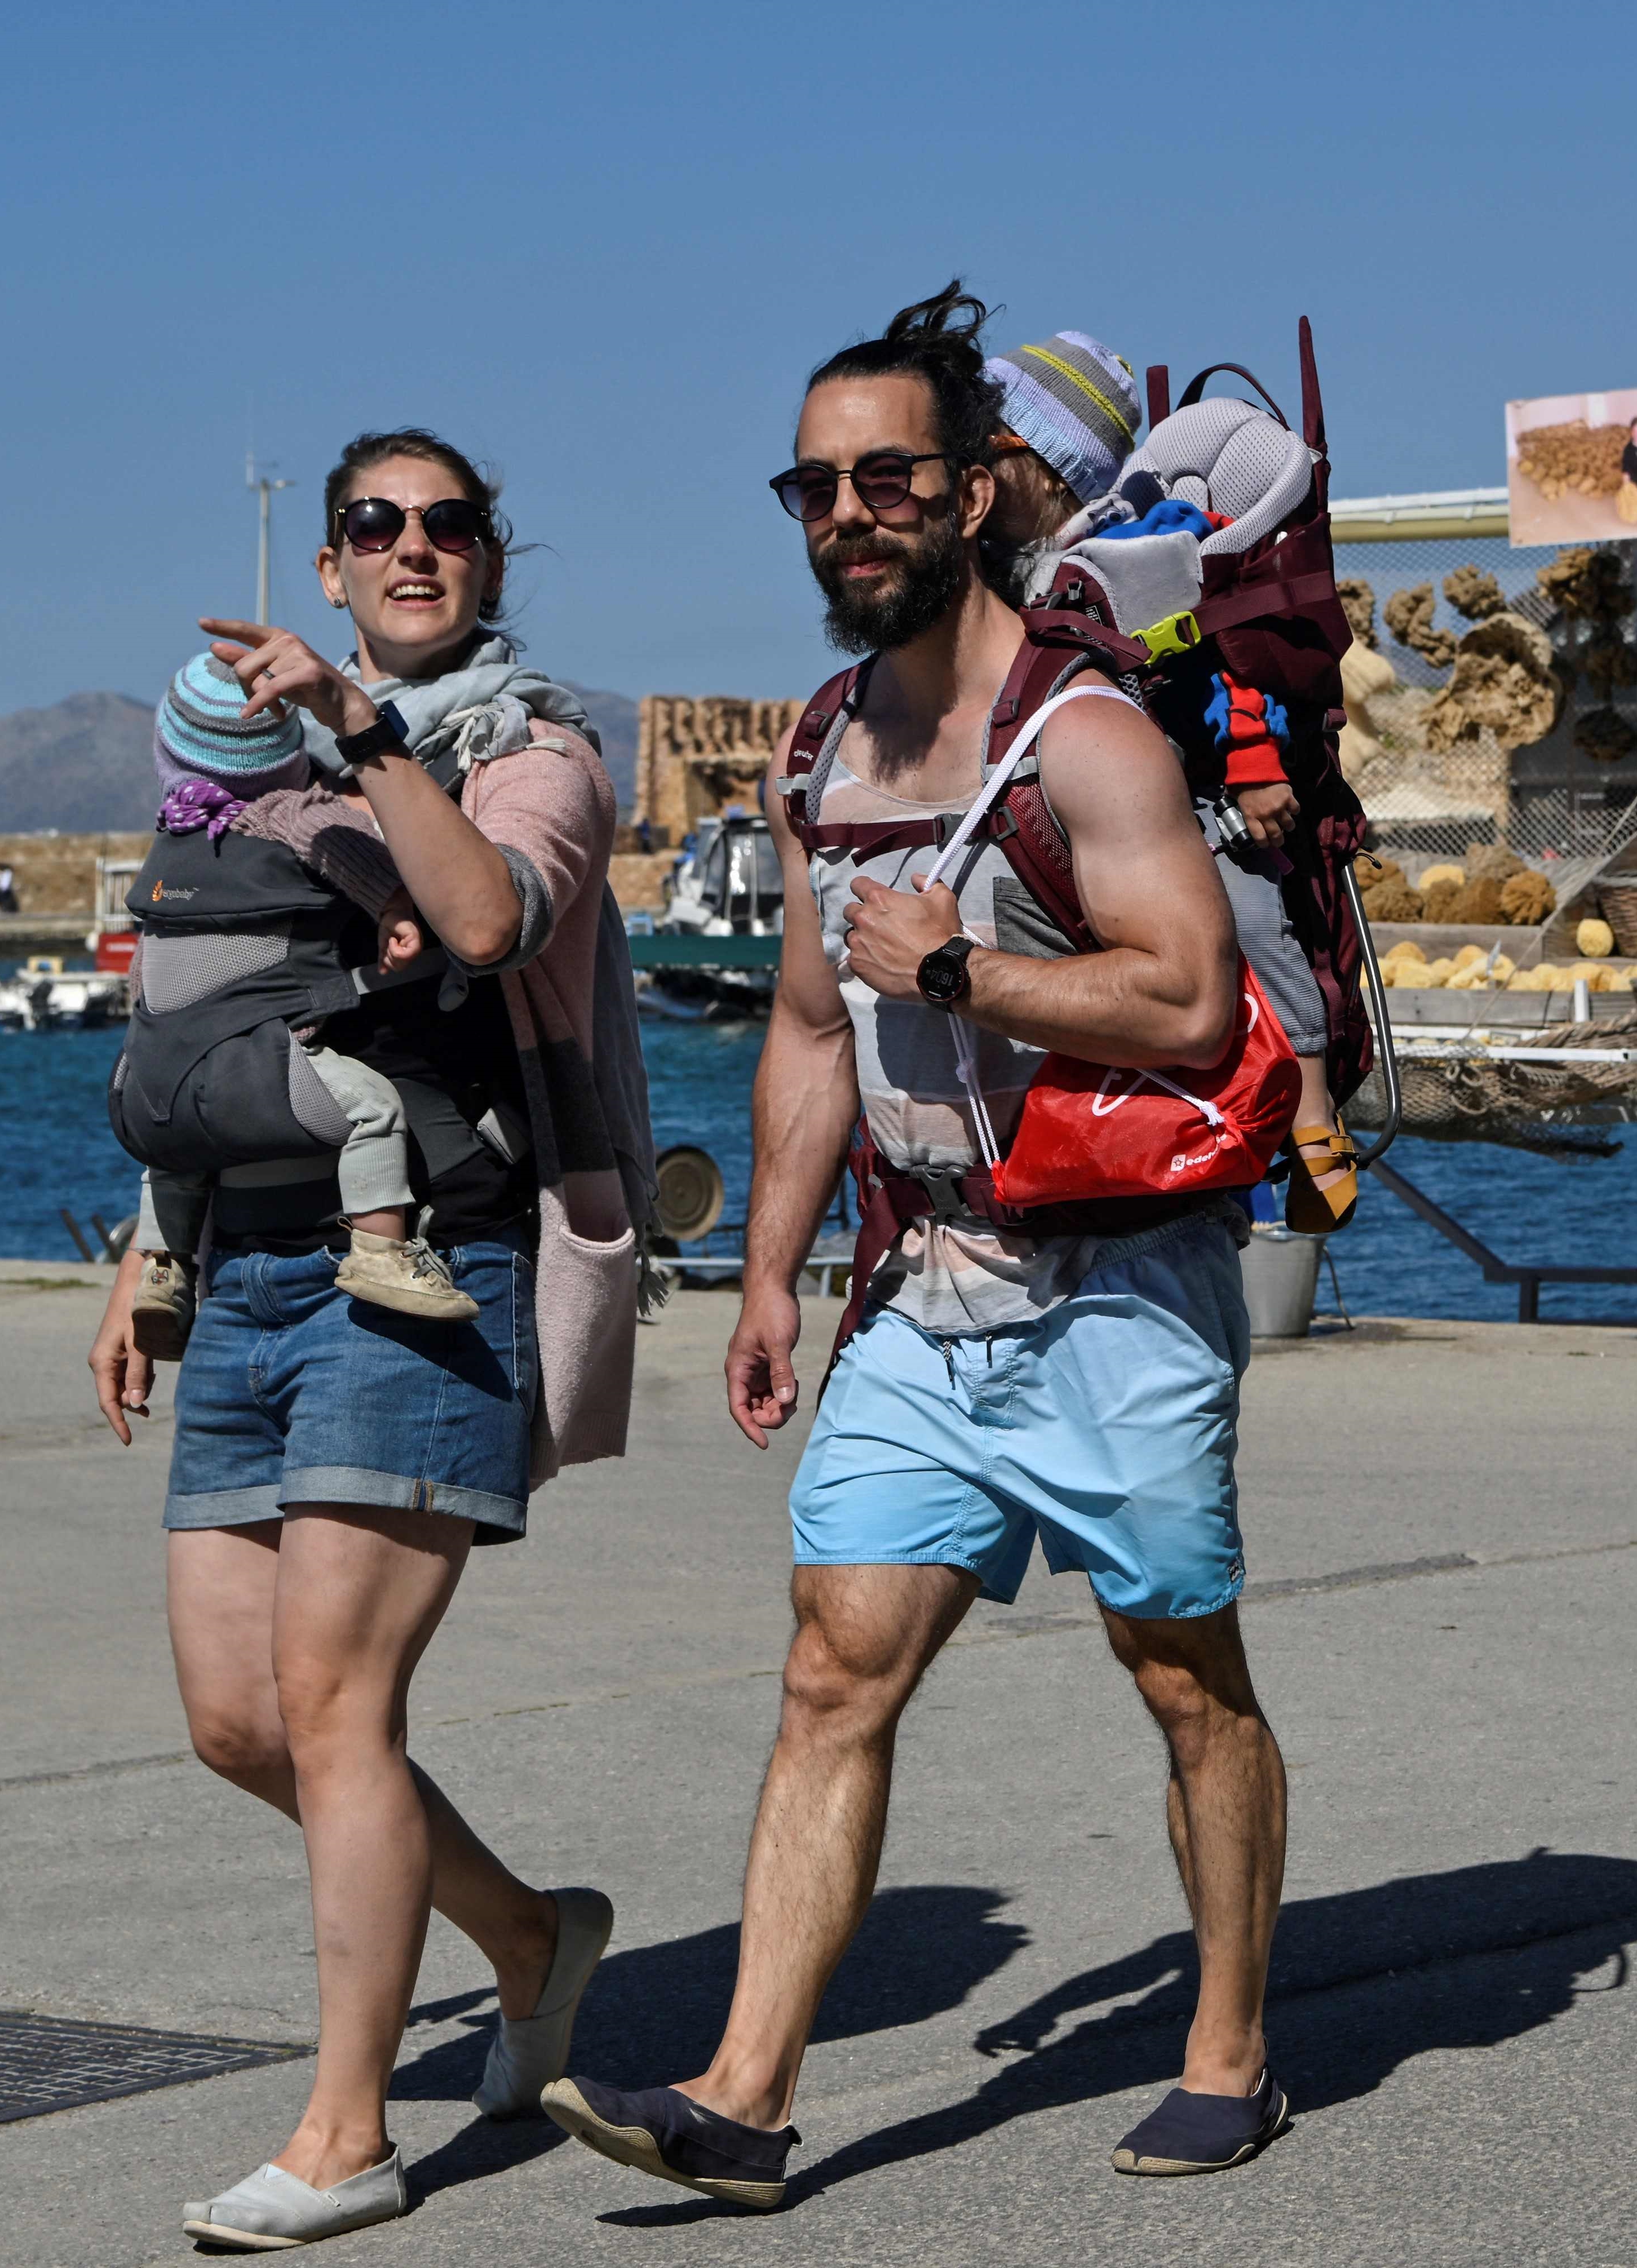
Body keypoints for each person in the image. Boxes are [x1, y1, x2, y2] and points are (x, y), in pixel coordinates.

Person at [543, 286, 1290, 2208]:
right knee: (832, 1670)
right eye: (816, 484)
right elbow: (806, 1026)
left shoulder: (1084, 735)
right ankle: (744, 2096)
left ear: (973, 496)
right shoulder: (820, 750)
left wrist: (960, 963)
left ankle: (1228, 2045)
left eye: (888, 477)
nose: (848, 511)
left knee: (1181, 1673)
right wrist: (776, 1269)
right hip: (926, 1289)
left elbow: (1193, 1004)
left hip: (1118, 1283)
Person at [87, 428, 653, 2251]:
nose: (412, 547)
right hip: (247, 1268)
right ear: (328, 562)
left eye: (448, 523)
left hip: (434, 1269)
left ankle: (347, 2135)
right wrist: (139, 1261)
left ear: (491, 556)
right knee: (239, 1719)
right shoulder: (240, 796)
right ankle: (528, 1933)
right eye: (373, 525)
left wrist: (368, 732)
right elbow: (206, 1026)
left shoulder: (535, 753)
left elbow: (485, 919)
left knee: (339, 1703)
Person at [976, 327, 1356, 1231]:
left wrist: (1258, 767)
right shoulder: (1036, 566)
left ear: (1040, 461)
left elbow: (1231, 653)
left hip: (1212, 791)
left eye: (984, 452)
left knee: (1255, 929)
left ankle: (1313, 1123)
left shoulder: (1145, 541)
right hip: (1117, 791)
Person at [125, 652, 482, 1358]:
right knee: (372, 1109)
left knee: (175, 1149)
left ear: (168, 754)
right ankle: (382, 1255)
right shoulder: (289, 812)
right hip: (268, 1069)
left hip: (150, 1081)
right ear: (288, 755)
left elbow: (145, 969)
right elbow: (359, 860)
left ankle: (160, 1270)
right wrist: (395, 909)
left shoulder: (168, 842)